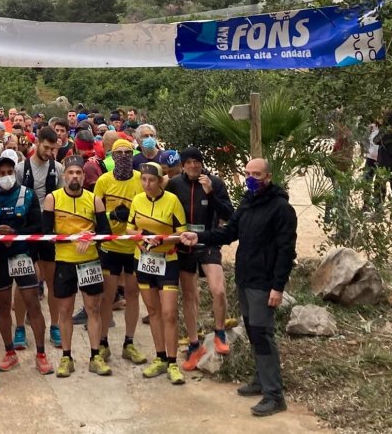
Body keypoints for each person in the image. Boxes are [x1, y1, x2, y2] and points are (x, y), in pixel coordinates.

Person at [181, 157, 297, 417]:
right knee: (254, 332)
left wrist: (278, 287)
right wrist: (199, 237)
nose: (251, 178)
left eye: (256, 174)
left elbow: (286, 251)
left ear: (268, 177)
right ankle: (260, 380)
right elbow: (229, 232)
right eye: (247, 173)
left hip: (264, 283)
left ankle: (274, 395)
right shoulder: (248, 203)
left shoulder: (281, 209)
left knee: (263, 334)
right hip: (245, 279)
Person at [43, 155, 112, 377]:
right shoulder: (53, 198)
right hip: (64, 262)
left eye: (78, 173)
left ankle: (95, 356)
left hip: (90, 261)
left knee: (93, 309)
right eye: (71, 173)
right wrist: (73, 238)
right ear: (64, 176)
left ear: (84, 176)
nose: (74, 176)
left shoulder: (94, 200)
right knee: (64, 311)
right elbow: (46, 234)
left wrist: (91, 237)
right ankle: (66, 357)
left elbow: (106, 232)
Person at [0, 152, 53, 375]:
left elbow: (38, 227)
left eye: (10, 172)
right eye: (2, 173)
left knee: (32, 303)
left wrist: (15, 233)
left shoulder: (29, 194)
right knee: (3, 306)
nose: (7, 176)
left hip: (22, 256)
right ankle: (9, 352)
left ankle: (41, 355)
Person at [166, 147, 234, 370]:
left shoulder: (215, 182)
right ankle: (194, 345)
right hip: (185, 245)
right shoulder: (175, 184)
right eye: (189, 162)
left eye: (198, 161)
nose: (194, 165)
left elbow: (228, 214)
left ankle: (220, 333)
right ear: (183, 165)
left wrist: (211, 193)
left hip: (208, 241)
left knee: (218, 289)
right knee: (189, 295)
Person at [127, 162, 187, 385]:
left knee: (169, 312)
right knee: (153, 311)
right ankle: (160, 357)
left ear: (160, 181)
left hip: (167, 260)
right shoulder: (137, 200)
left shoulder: (172, 200)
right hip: (143, 260)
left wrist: (162, 239)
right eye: (143, 179)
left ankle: (173, 362)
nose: (147, 184)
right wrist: (141, 236)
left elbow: (182, 233)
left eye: (151, 180)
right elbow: (129, 228)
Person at [92, 139, 147, 367]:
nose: (123, 156)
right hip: (111, 246)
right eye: (119, 153)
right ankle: (103, 342)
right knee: (107, 295)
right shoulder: (103, 181)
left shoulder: (139, 179)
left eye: (127, 153)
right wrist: (111, 217)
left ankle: (129, 343)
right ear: (112, 157)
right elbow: (94, 212)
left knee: (133, 295)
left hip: (134, 246)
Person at [16, 127, 64, 347]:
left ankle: (55, 326)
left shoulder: (58, 168)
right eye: (46, 147)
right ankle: (19, 328)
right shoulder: (20, 168)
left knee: (52, 280)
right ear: (37, 142)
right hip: (26, 228)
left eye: (53, 149)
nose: (49, 152)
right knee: (24, 280)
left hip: (49, 230)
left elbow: (62, 200)